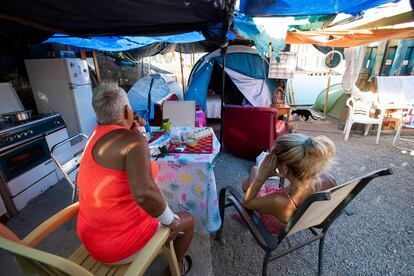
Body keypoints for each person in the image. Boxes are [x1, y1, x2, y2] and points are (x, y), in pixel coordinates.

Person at [77, 83, 194, 274]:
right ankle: (176, 268)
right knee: (187, 220)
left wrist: (132, 129)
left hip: (91, 237)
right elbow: (145, 194)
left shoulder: (94, 137)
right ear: (126, 110)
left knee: (161, 206)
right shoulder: (132, 142)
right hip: (117, 246)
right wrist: (170, 220)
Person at [241, 133, 336, 234]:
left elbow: (246, 203)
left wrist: (262, 176)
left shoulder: (279, 201)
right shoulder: (328, 180)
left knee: (254, 171)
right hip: (298, 216)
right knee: (253, 175)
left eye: (275, 162)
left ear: (284, 169)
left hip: (276, 217)